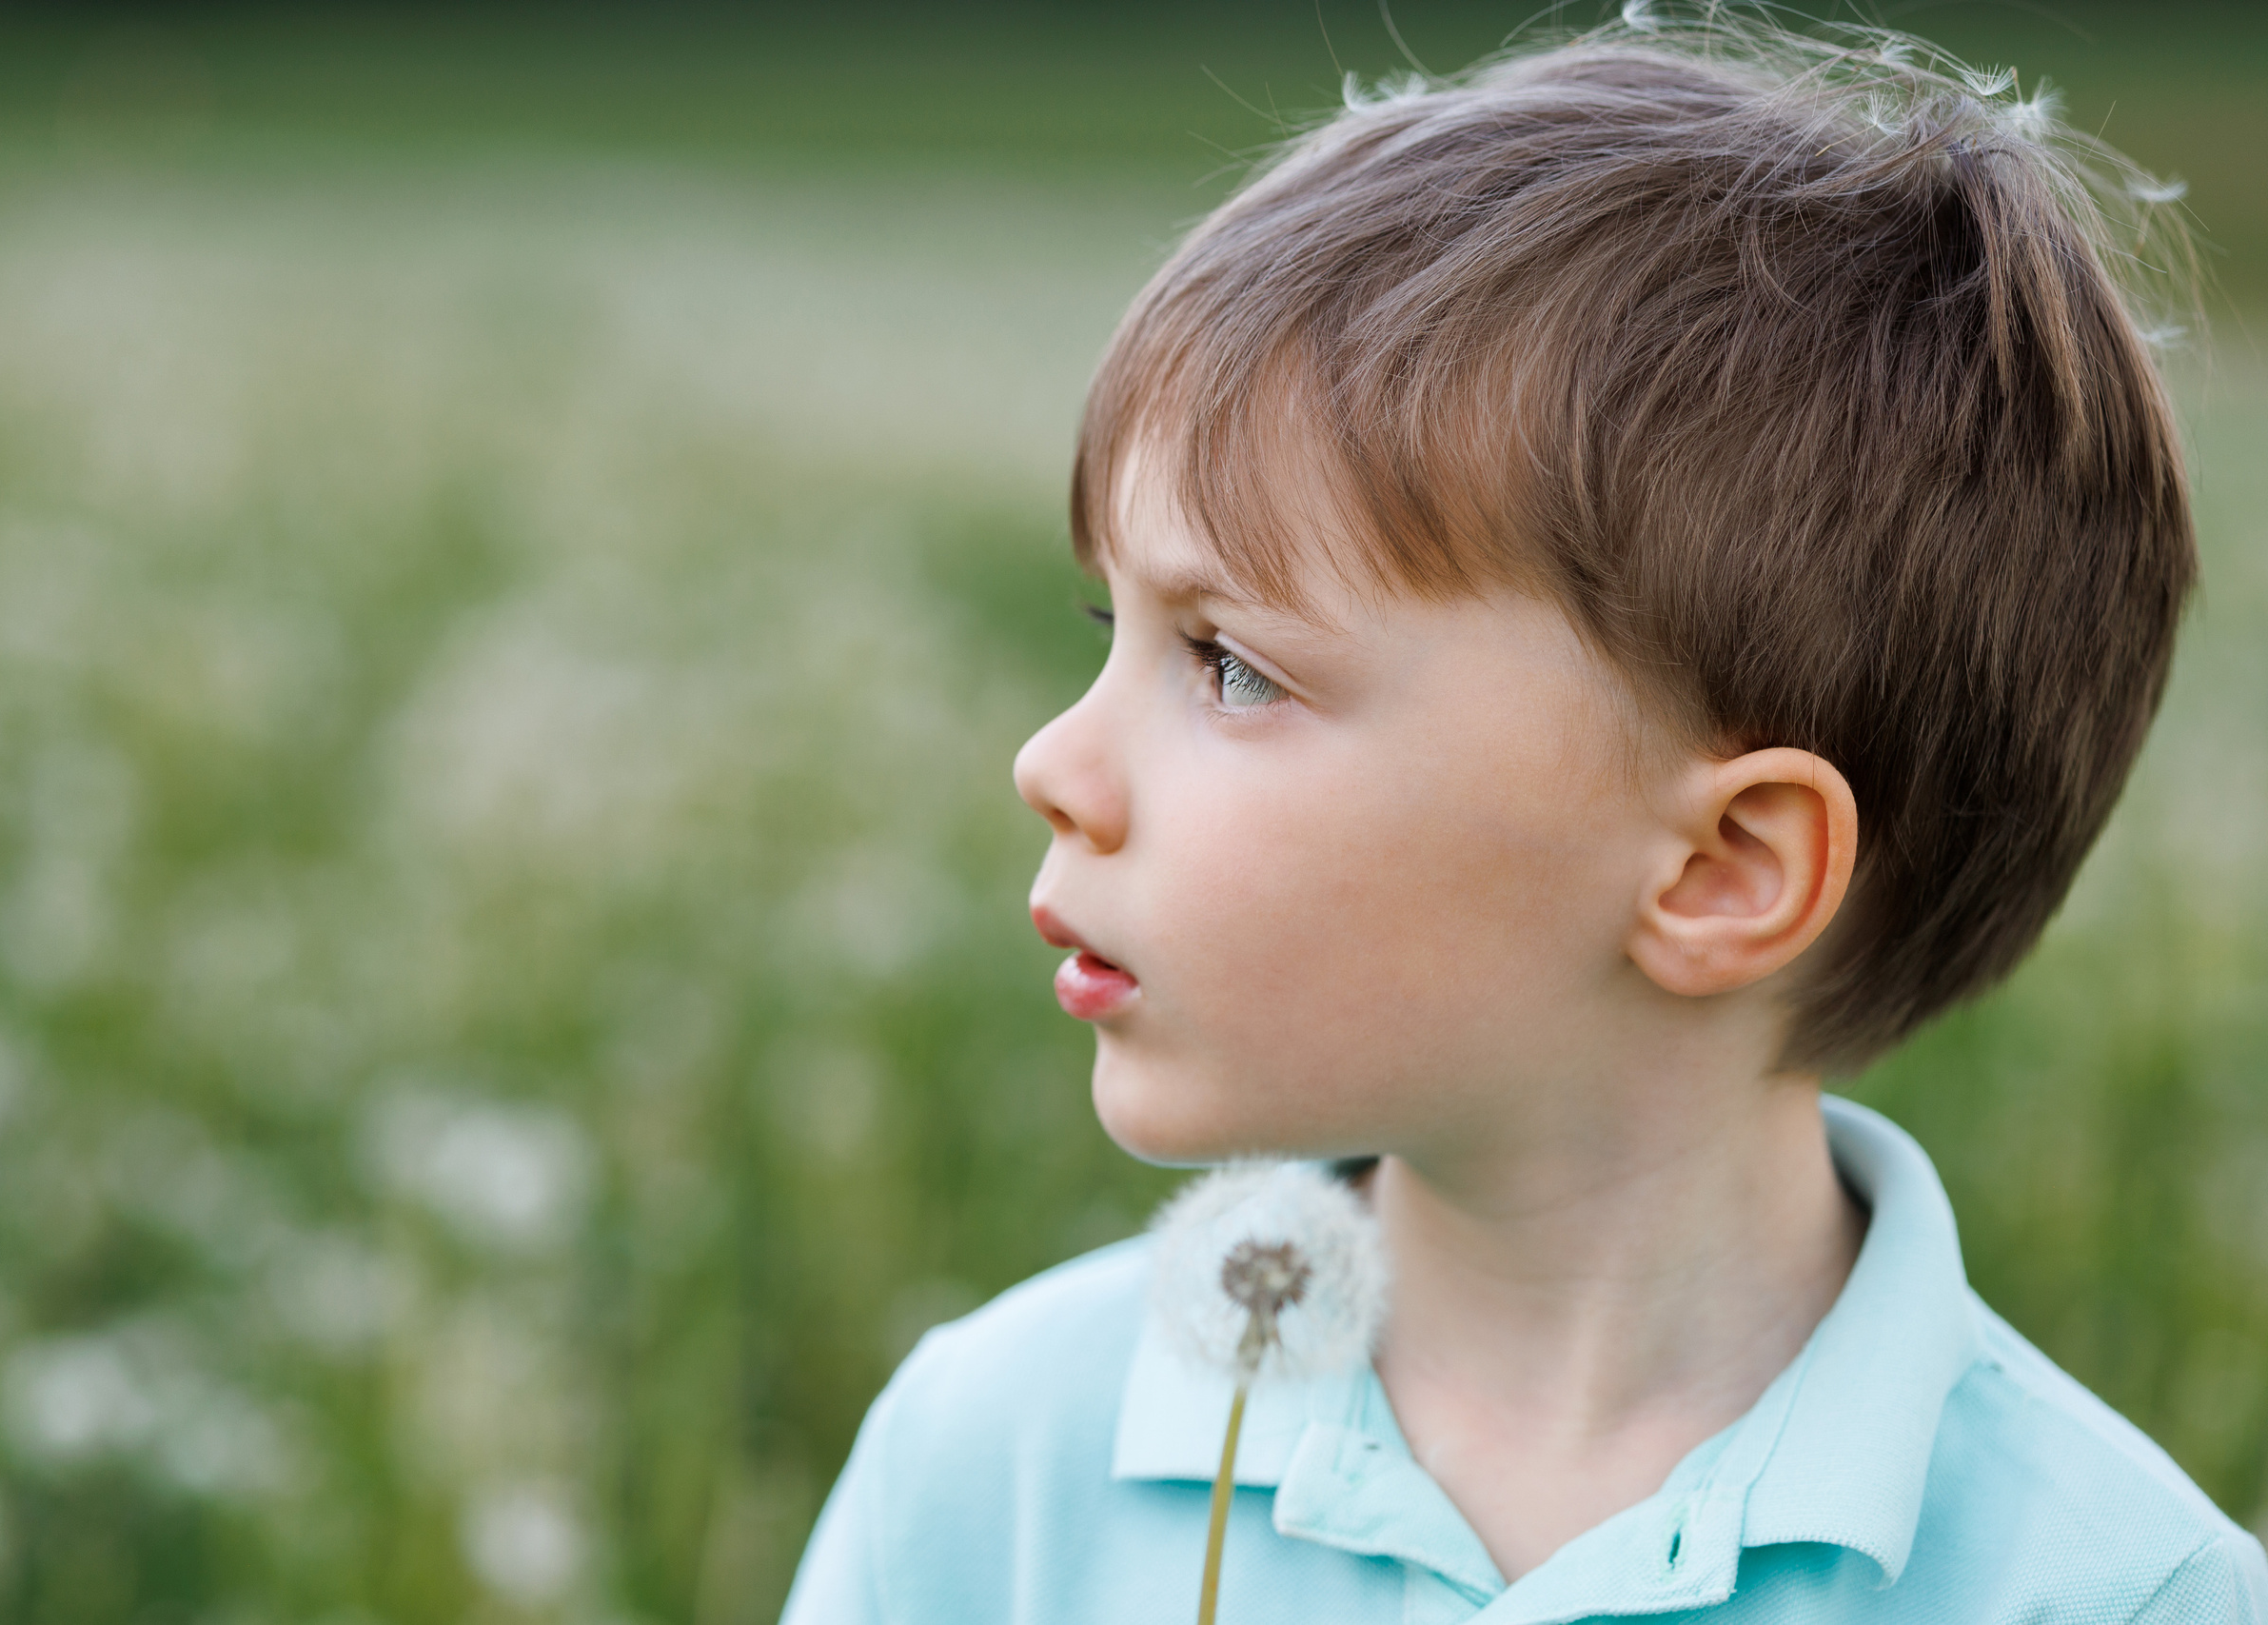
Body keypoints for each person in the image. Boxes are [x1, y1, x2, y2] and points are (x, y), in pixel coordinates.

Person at [780, 9, 2268, 1621]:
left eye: (1232, 667)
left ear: (1723, 871)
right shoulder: (986, 1470)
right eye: (1109, 628)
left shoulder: (2117, 1593)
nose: (1051, 765)